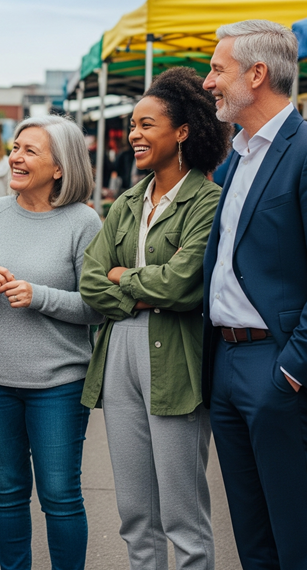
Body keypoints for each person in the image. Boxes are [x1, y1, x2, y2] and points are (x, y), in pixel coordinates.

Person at [202, 20, 307, 570]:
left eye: (217, 69)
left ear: (257, 73)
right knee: (252, 536)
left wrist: (292, 371)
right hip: (225, 365)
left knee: (298, 537)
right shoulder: (236, 159)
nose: (207, 82)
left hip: (278, 369)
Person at [80, 68, 233, 570]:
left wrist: (126, 280)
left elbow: (183, 286)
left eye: (147, 125)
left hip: (175, 355)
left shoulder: (208, 201)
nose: (134, 135)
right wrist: (142, 290)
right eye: (132, 124)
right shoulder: (127, 201)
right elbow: (90, 282)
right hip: (119, 352)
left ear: (183, 131)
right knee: (134, 512)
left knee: (181, 513)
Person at [0, 115, 104, 570]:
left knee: (59, 495)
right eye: (15, 147)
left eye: (29, 150)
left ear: (60, 167)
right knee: (8, 493)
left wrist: (41, 297)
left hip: (59, 383)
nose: (15, 157)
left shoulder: (84, 222)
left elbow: (97, 307)